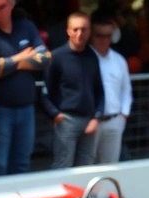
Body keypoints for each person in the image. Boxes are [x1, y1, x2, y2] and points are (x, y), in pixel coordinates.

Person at [0, 0, 49, 177]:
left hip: (26, 108)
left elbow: (46, 58)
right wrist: (21, 57)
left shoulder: (26, 26)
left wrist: (9, 64)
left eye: (1, 7)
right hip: (1, 110)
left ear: (11, 4)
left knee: (22, 163)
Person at [42, 12, 104, 169]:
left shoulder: (92, 56)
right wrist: (55, 115)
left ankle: (83, 195)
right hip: (66, 120)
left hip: (89, 121)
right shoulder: (57, 57)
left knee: (86, 168)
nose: (79, 34)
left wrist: (96, 117)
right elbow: (45, 92)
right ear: (68, 31)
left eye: (84, 29)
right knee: (62, 166)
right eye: (75, 29)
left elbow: (100, 91)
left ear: (89, 31)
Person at [91, 13, 133, 164]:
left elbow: (126, 92)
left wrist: (123, 116)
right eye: (98, 35)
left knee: (110, 167)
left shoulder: (119, 60)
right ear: (91, 35)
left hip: (114, 121)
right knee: (87, 167)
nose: (103, 40)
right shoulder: (85, 58)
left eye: (107, 36)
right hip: (90, 122)